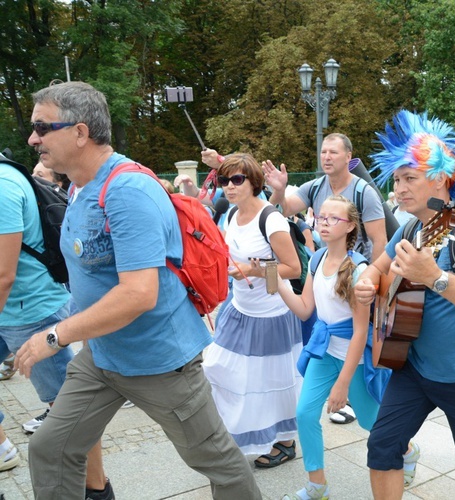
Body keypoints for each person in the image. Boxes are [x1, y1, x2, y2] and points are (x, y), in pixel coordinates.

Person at [17, 81, 261, 499]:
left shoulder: (127, 191)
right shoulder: (78, 186)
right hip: (103, 355)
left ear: (79, 132)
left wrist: (54, 337)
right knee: (51, 447)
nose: (32, 137)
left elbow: (138, 294)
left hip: (160, 362)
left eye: (42, 126)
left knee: (216, 461)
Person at [355, 110, 455, 498]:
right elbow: (377, 267)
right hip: (413, 368)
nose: (399, 188)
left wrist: (434, 277)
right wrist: (368, 282)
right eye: (397, 179)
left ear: (439, 177)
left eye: (410, 178)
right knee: (382, 447)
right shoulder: (411, 227)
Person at [1, 152, 112, 498]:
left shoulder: (3, 185)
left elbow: (4, 274)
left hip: (27, 310)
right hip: (19, 307)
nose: (36, 141)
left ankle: (96, 489)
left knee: (67, 407)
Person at [277, 195, 390, 500]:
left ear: (350, 225)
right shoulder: (315, 259)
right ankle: (317, 486)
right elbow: (304, 310)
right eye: (321, 217)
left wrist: (342, 386)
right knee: (304, 413)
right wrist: (278, 281)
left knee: (371, 423)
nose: (323, 223)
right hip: (324, 352)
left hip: (353, 358)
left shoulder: (358, 270)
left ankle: (407, 450)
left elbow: (358, 333)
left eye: (333, 219)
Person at [201, 154, 303, 467]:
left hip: (271, 316)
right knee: (218, 368)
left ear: (253, 182)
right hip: (238, 309)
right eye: (224, 180)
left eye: (237, 180)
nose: (229, 187)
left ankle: (284, 442)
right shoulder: (230, 215)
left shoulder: (270, 219)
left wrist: (255, 270)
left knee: (269, 382)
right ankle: (234, 434)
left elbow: (293, 268)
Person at [262, 133, 387, 262]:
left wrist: (372, 277)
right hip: (325, 269)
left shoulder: (364, 193)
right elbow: (283, 211)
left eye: (333, 152)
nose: (327, 157)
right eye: (323, 152)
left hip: (356, 271)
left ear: (348, 157)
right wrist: (279, 190)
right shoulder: (314, 188)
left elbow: (380, 241)